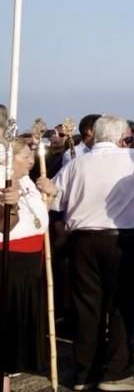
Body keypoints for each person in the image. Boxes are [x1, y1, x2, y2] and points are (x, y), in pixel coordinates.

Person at [44, 115, 134, 392]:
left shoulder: (77, 162)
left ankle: (85, 372)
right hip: (123, 240)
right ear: (123, 137)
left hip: (84, 240)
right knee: (122, 307)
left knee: (87, 307)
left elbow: (55, 198)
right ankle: (116, 373)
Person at [1, 139, 50, 385]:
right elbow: (6, 226)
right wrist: (8, 207)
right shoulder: (3, 183)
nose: (31, 161)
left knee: (21, 323)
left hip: (31, 261)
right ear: (8, 159)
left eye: (31, 155)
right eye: (24, 156)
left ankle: (9, 375)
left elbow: (40, 219)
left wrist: (51, 195)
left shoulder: (28, 182)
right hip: (10, 259)